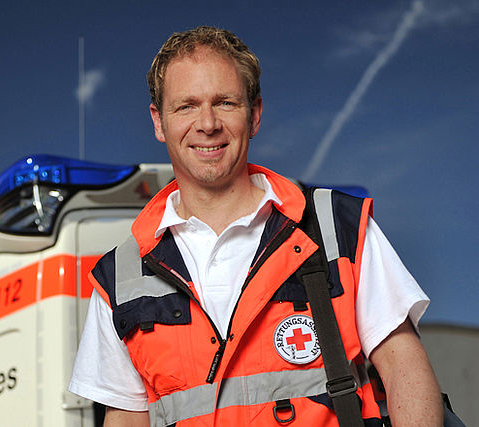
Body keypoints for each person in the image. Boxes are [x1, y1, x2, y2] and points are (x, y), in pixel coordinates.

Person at [69, 26, 443, 426]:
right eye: (186, 106)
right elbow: (127, 418)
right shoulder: (120, 277)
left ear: (255, 114)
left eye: (225, 103)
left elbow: (405, 371)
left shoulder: (336, 228)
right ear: (159, 122)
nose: (207, 123)